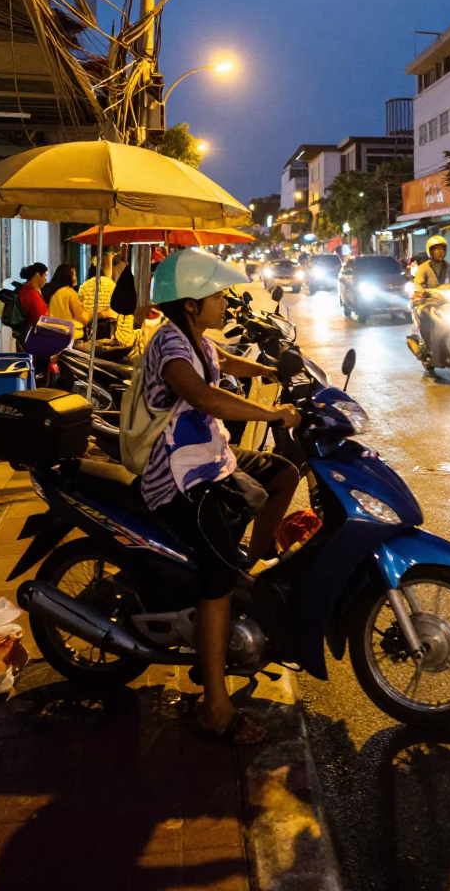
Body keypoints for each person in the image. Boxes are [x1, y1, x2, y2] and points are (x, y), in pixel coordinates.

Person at [139, 248, 301, 743]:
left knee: (283, 474)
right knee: (217, 580)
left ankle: (254, 560)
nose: (226, 302)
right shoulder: (169, 345)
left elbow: (227, 362)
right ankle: (214, 706)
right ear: (190, 303)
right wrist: (270, 415)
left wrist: (273, 372)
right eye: (216, 294)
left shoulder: (198, 340)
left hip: (210, 458)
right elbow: (205, 396)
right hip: (178, 476)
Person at [413, 236, 450, 353]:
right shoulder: (424, 267)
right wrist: (422, 292)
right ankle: (427, 344)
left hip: (445, 300)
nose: (440, 252)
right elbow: (418, 283)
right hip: (429, 301)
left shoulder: (449, 266)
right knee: (425, 317)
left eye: (442, 249)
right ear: (430, 251)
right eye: (436, 249)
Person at [79, 252, 134, 346]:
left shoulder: (84, 286)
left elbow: (80, 307)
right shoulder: (111, 284)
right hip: (109, 325)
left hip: (91, 325)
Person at [46, 264, 92, 343]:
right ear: (67, 276)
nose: (75, 277)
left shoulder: (54, 293)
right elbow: (84, 318)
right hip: (71, 335)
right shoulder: (70, 293)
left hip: (55, 333)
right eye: (73, 274)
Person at [17, 262, 49, 335]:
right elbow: (40, 319)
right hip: (34, 334)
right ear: (37, 275)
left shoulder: (25, 288)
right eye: (45, 276)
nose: (45, 279)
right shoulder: (33, 294)